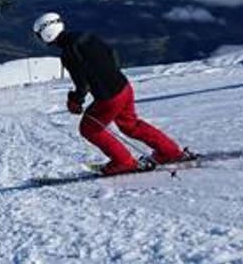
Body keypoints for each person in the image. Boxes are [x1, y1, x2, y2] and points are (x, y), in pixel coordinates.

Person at [33, 12, 188, 175]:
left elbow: (81, 82)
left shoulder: (69, 52)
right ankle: (170, 152)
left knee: (90, 129)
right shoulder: (86, 36)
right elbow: (111, 53)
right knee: (131, 125)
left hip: (109, 97)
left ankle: (124, 162)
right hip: (124, 87)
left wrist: (75, 101)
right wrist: (111, 75)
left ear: (46, 33)